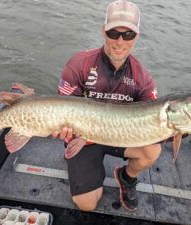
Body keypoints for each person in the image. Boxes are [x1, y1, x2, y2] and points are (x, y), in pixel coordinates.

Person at [57, 0, 161, 212]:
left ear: (137, 37)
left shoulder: (143, 78)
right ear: (103, 31)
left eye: (128, 35)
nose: (120, 41)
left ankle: (126, 176)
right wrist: (65, 131)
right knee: (86, 204)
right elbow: (63, 108)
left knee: (152, 150)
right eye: (114, 33)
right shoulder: (79, 64)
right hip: (83, 137)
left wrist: (180, 130)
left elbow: (152, 120)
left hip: (121, 135)